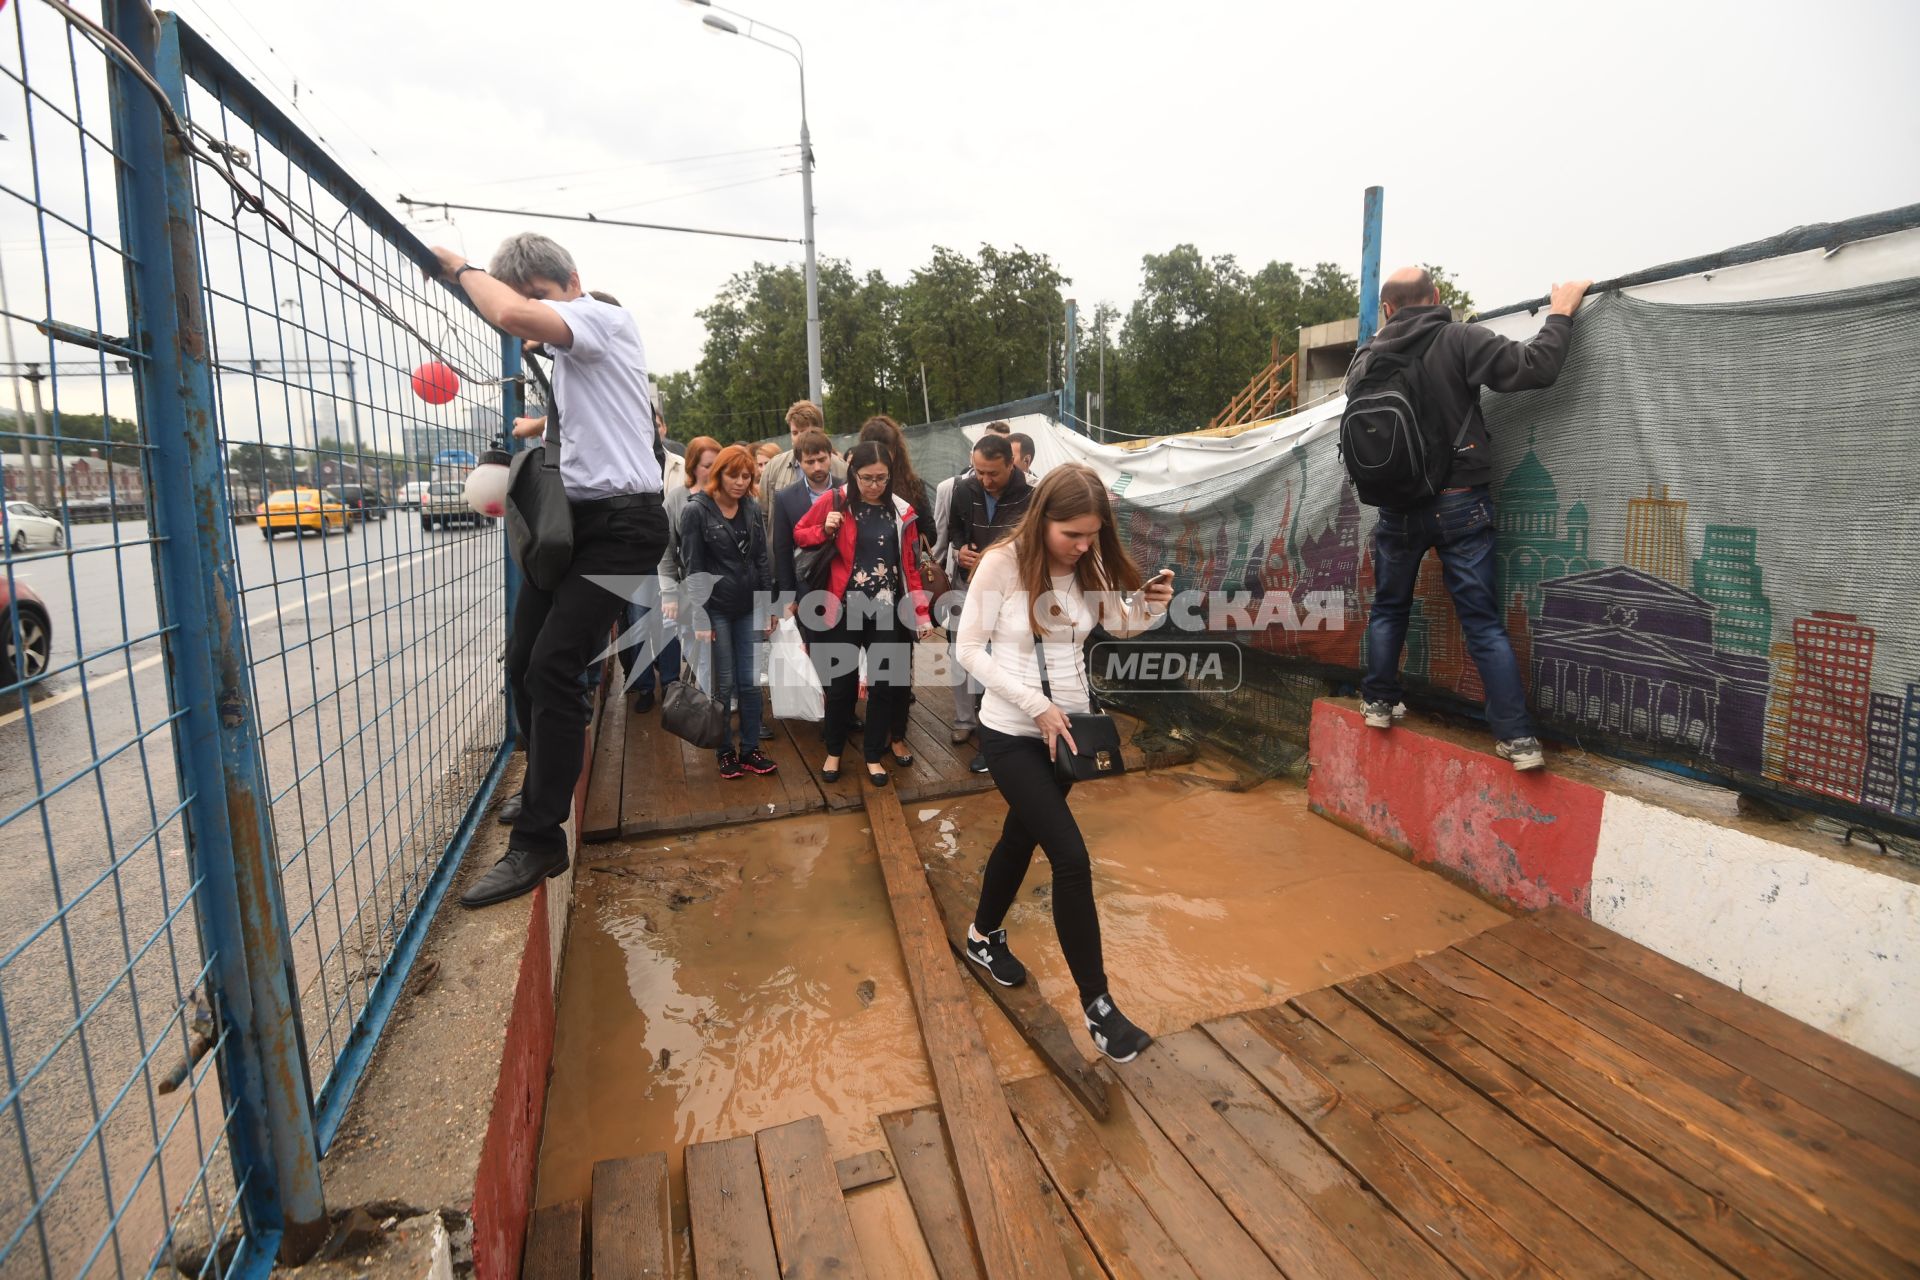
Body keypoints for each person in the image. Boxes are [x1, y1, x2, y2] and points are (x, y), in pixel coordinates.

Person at [430, 233, 668, 908]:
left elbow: (511, 316)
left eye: (538, 296)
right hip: (580, 526)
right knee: (523, 658)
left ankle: (539, 841)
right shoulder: (575, 351)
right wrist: (532, 425)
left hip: (622, 529)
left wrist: (459, 269)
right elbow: (580, 417)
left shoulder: (601, 315)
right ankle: (543, 789)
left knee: (554, 667)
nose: (531, 310)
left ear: (568, 281)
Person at [955, 463, 1174, 1063]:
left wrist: (1151, 605)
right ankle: (1099, 1007)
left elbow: (1117, 625)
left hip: (1069, 733)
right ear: (1043, 517)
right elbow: (968, 649)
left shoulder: (1090, 561)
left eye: (1092, 534)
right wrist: (1037, 707)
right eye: (1071, 534)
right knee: (1071, 859)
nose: (1083, 546)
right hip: (1013, 732)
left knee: (1019, 837)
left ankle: (982, 935)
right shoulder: (1002, 563)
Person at [1354, 267, 1592, 772]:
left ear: (1388, 311)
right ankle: (1518, 738)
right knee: (1482, 623)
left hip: (1394, 506)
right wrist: (1562, 312)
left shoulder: (1364, 359)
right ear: (1437, 297)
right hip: (1460, 500)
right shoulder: (1458, 338)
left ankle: (1378, 702)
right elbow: (1536, 366)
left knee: (1389, 607)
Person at [792, 440, 933, 786]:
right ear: (853, 473)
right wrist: (824, 528)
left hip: (886, 611)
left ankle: (873, 755)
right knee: (840, 687)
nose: (874, 485)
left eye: (881, 478)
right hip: (841, 610)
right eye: (867, 478)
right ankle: (835, 750)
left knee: (884, 686)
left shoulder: (902, 511)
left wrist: (921, 613)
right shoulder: (836, 500)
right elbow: (799, 533)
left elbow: (910, 567)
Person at [679, 445, 779, 779]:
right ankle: (725, 752)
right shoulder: (696, 511)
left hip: (748, 606)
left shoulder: (751, 507)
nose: (739, 482)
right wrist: (700, 615)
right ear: (718, 474)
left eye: (746, 476)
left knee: (751, 683)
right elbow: (692, 567)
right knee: (723, 685)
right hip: (716, 608)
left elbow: (762, 561)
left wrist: (768, 607)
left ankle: (750, 749)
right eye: (732, 475)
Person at [944, 432, 1033, 773]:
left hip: (1011, 595)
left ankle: (995, 739)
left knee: (999, 663)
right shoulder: (964, 490)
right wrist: (961, 549)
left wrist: (999, 561)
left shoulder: (1030, 498)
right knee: (965, 654)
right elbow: (955, 529)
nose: (984, 479)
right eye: (978, 471)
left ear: (1011, 464)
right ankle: (972, 725)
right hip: (968, 587)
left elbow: (1033, 545)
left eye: (992, 473)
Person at [650, 435, 722, 706]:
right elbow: (666, 551)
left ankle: (730, 699)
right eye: (707, 465)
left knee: (726, 650)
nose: (713, 471)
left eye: (718, 465)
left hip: (724, 588)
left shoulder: (726, 496)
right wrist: (668, 593)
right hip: (687, 588)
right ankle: (710, 704)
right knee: (697, 651)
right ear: (692, 466)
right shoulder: (676, 500)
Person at [760, 400, 847, 539]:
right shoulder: (774, 467)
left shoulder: (842, 468)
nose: (799, 438)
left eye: (804, 431)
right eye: (794, 433)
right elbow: (763, 514)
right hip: (787, 551)